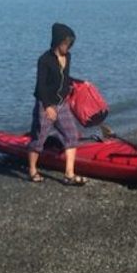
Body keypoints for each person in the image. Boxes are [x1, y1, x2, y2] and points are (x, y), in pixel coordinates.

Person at [27, 22, 86, 185]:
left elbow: (65, 78)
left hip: (62, 104)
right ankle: (32, 170)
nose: (69, 47)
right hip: (45, 105)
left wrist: (79, 84)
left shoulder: (68, 57)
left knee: (72, 135)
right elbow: (40, 86)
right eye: (66, 43)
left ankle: (69, 174)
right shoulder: (44, 60)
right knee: (38, 139)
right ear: (57, 41)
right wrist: (47, 107)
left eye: (70, 43)